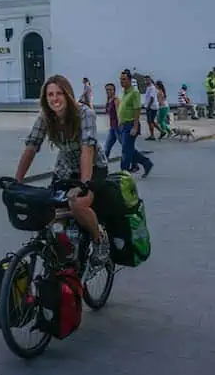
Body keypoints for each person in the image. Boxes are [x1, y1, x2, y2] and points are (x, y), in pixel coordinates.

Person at [12, 75, 123, 252]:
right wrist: (16, 181)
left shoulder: (85, 113)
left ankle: (99, 240)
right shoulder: (46, 117)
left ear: (68, 95)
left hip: (94, 167)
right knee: (50, 207)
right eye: (50, 95)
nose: (54, 99)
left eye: (59, 93)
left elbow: (87, 149)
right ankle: (65, 254)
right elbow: (31, 146)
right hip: (65, 169)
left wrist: (84, 184)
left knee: (77, 204)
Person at [117, 70, 153, 178]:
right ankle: (147, 163)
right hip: (123, 124)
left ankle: (124, 173)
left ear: (129, 80)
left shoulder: (135, 93)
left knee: (125, 150)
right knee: (129, 149)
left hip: (131, 124)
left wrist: (135, 126)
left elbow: (137, 109)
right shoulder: (124, 92)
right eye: (120, 79)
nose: (121, 81)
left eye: (124, 79)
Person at [102, 82, 121, 159]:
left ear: (114, 90)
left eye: (110, 90)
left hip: (117, 127)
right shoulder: (109, 99)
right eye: (107, 90)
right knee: (107, 147)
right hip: (112, 127)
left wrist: (120, 126)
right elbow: (107, 111)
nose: (108, 91)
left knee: (126, 147)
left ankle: (135, 163)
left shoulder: (116, 100)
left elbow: (119, 114)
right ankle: (103, 165)